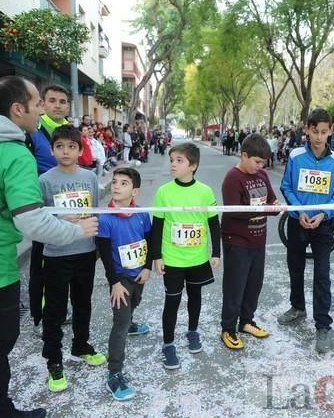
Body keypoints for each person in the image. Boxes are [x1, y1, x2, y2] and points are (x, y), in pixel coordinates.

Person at [0, 75, 98, 418]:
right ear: (17, 109)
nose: (42, 111)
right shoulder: (13, 153)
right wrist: (75, 229)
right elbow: (32, 222)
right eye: (38, 104)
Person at [39, 125, 105, 393]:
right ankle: (53, 361)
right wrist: (59, 219)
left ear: (80, 150)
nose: (65, 152)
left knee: (83, 302)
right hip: (56, 254)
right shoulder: (44, 180)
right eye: (59, 147)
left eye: (71, 146)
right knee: (54, 310)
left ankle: (81, 345)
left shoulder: (89, 178)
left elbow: (94, 211)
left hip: (85, 252)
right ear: (52, 149)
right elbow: (38, 216)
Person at [278, 108, 334, 354]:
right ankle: (297, 307)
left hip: (323, 225)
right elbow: (286, 186)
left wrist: (323, 214)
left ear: (331, 131)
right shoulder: (296, 155)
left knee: (322, 274)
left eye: (324, 132)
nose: (318, 137)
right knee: (295, 267)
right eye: (314, 131)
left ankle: (323, 325)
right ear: (306, 129)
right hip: (298, 222)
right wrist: (299, 211)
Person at [151, 143, 221, 368]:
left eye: (179, 160)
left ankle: (192, 331)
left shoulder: (205, 191)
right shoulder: (164, 192)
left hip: (197, 258)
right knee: (172, 301)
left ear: (193, 165)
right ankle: (168, 344)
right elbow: (157, 226)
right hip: (172, 258)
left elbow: (213, 223)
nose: (173, 164)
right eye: (172, 160)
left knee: (195, 296)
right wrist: (157, 256)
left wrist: (216, 252)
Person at [95, 167, 152, 401]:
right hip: (119, 279)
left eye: (124, 183)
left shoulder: (141, 214)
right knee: (119, 323)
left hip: (139, 274)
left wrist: (147, 267)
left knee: (134, 304)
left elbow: (149, 239)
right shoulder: (105, 217)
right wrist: (114, 282)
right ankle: (114, 373)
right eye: (115, 182)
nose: (116, 186)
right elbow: (105, 254)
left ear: (135, 191)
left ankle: (130, 322)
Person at [220, 135, 280, 350]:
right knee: (235, 286)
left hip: (258, 240)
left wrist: (275, 206)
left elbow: (271, 199)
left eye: (263, 162)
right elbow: (234, 211)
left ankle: (246, 321)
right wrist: (265, 209)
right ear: (243, 155)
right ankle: (228, 328)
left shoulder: (262, 175)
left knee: (254, 285)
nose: (260, 166)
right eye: (256, 161)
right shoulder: (232, 178)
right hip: (236, 241)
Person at [26, 84, 71, 332]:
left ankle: (61, 309)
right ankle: (41, 316)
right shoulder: (32, 131)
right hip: (43, 209)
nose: (57, 105)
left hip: (69, 207)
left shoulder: (70, 130)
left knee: (66, 262)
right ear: (42, 104)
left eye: (62, 101)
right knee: (42, 264)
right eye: (52, 100)